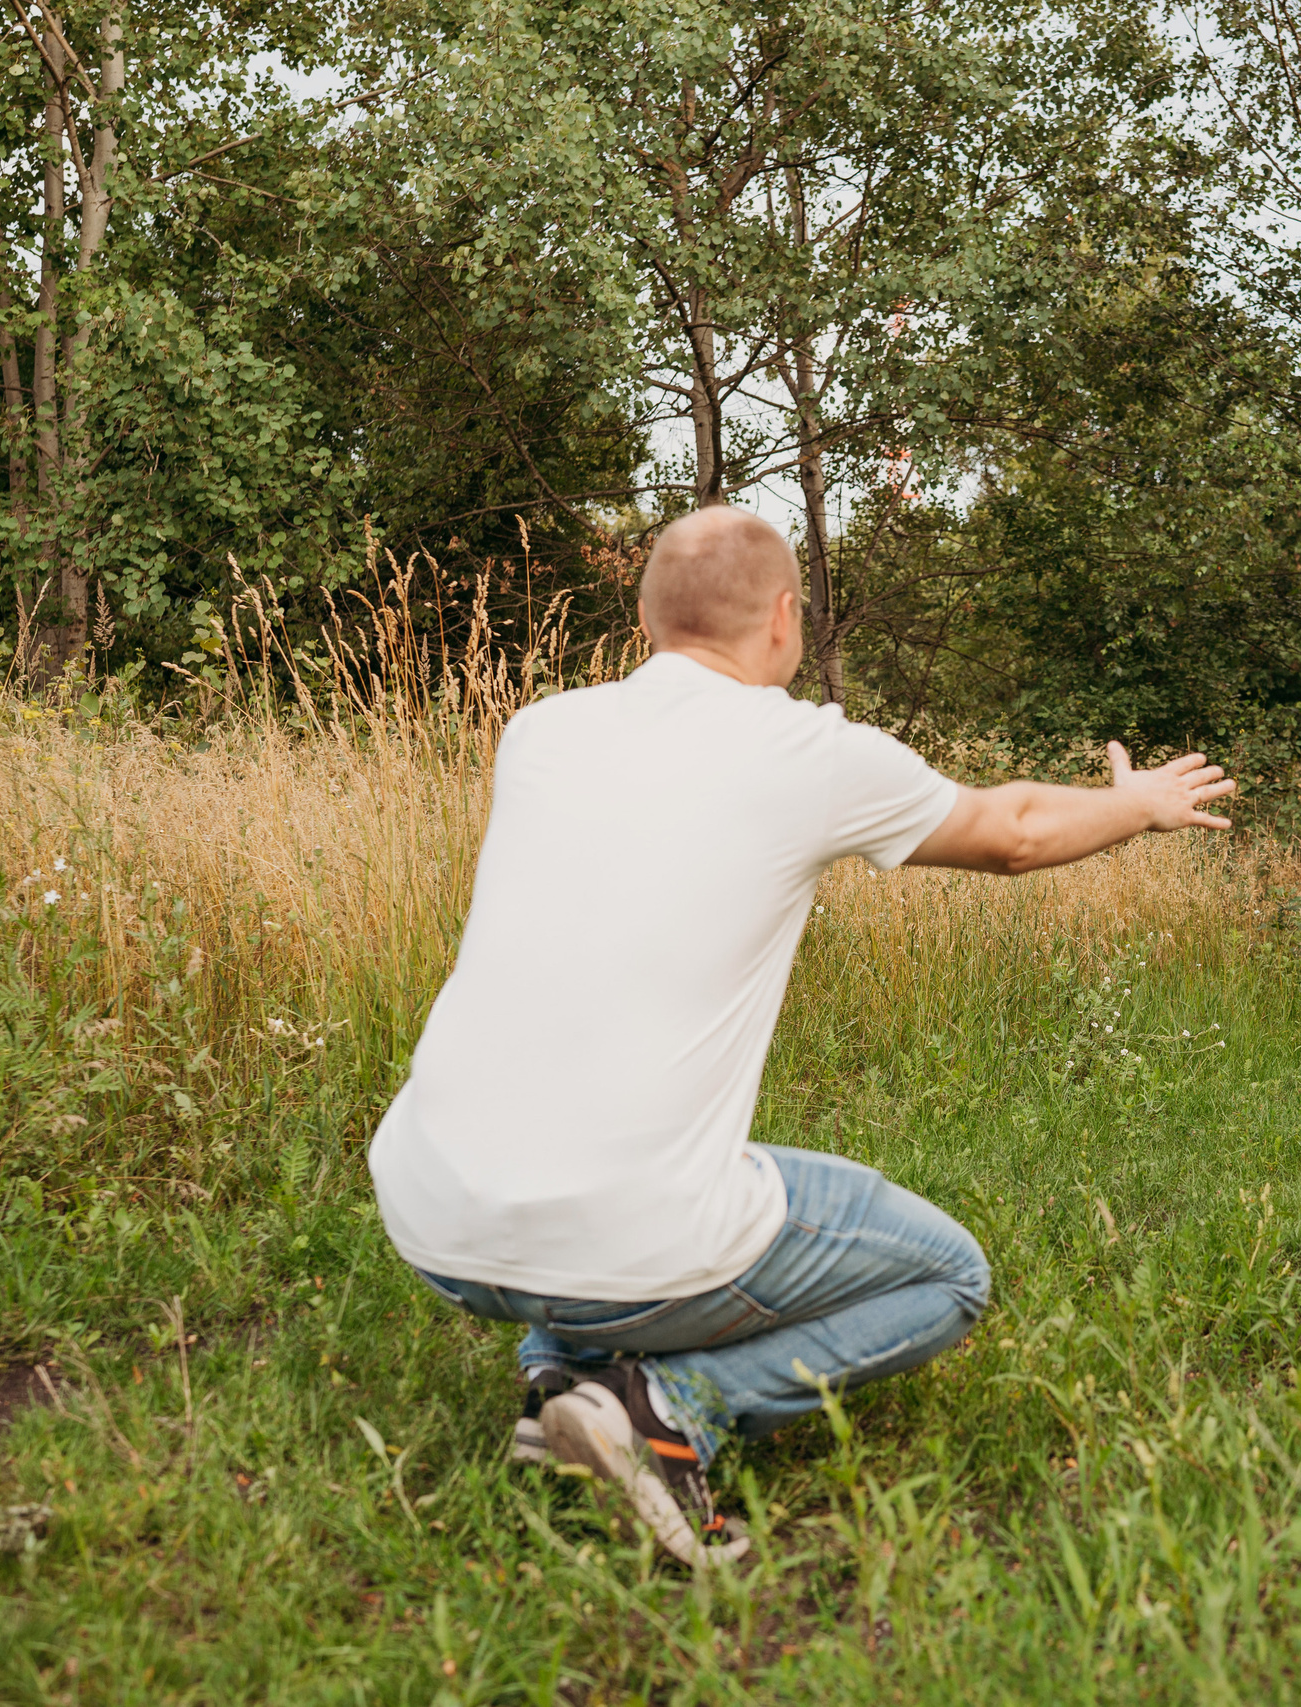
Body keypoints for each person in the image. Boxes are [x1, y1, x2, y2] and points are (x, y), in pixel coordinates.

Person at [367, 506, 1235, 1565]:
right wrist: (1136, 803)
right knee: (947, 1276)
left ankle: (562, 1377)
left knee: (622, 1130)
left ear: (646, 618)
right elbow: (1012, 834)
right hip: (627, 1236)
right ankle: (670, 1407)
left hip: (430, 1215)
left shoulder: (541, 731)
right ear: (784, 620)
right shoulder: (805, 751)